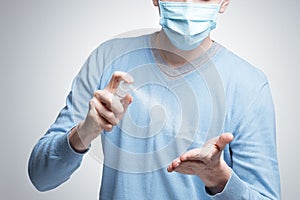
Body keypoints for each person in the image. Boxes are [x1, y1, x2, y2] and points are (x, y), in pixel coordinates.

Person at [28, 0, 281, 199]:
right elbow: (41, 177)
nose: (189, 6)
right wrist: (84, 132)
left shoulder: (249, 85)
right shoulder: (107, 59)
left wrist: (220, 180)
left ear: (224, 2)